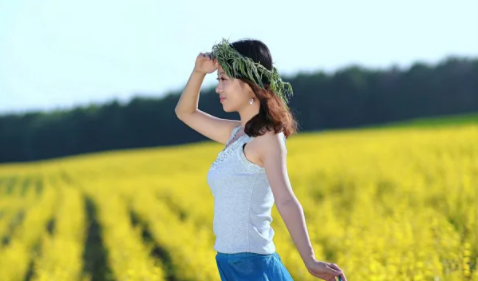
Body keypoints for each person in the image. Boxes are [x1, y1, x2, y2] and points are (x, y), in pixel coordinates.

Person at [175, 38, 347, 281]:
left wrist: (310, 260)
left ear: (249, 83)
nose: (218, 88)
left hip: (254, 267)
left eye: (224, 79)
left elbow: (286, 200)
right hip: (229, 264)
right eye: (218, 80)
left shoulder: (267, 138)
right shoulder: (236, 134)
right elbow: (185, 112)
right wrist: (198, 72)